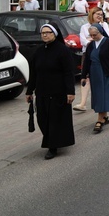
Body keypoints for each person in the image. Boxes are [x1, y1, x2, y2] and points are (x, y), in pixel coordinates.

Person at [26, 24, 75, 159]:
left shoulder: (63, 51)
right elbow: (34, 73)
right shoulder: (39, 52)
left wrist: (70, 91)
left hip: (58, 92)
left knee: (54, 120)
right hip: (42, 92)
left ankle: (52, 147)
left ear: (55, 34)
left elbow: (68, 72)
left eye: (48, 32)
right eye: (42, 33)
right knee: (42, 119)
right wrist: (29, 91)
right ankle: (51, 141)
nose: (45, 35)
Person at [81, 24, 109, 134]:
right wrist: (84, 76)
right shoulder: (90, 45)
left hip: (106, 73)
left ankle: (100, 119)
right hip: (95, 73)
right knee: (98, 95)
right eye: (91, 35)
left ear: (101, 32)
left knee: (105, 95)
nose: (93, 37)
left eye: (95, 34)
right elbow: (87, 61)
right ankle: (104, 116)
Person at [73, 7, 109, 111]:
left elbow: (107, 39)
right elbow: (83, 42)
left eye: (101, 14)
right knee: (86, 77)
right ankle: (82, 103)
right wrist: (92, 40)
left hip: (102, 55)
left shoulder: (104, 25)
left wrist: (90, 39)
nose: (100, 16)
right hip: (88, 54)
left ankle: (101, 103)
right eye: (97, 14)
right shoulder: (84, 27)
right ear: (92, 14)